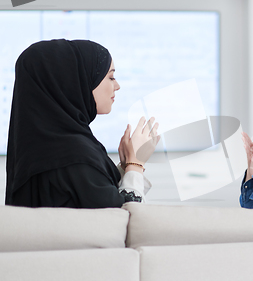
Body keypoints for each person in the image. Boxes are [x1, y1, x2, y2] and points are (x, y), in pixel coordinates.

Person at [5, 39, 159, 208]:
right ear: (74, 80)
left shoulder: (38, 149)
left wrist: (124, 168)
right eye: (111, 77)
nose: (117, 86)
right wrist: (136, 164)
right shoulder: (74, 156)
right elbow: (126, 220)